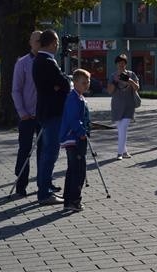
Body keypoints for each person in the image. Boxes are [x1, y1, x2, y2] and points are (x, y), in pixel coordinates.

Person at [32, 29, 71, 205]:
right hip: (52, 112)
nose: (58, 45)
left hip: (45, 111)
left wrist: (60, 85)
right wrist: (62, 85)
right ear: (50, 43)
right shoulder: (47, 61)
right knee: (50, 152)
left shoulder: (40, 60)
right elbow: (64, 84)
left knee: (47, 152)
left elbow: (60, 84)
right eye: (56, 42)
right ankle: (44, 193)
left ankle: (45, 186)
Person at [11, 30, 43, 197]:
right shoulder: (22, 63)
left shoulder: (47, 61)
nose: (39, 43)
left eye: (41, 40)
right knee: (25, 149)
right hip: (27, 115)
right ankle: (21, 185)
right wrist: (22, 112)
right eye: (36, 40)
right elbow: (16, 90)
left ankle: (44, 184)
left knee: (44, 150)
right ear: (30, 42)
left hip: (44, 115)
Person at [59, 68, 91, 213]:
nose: (87, 85)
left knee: (73, 169)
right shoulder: (73, 98)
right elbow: (73, 119)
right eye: (84, 82)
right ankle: (74, 200)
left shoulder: (79, 97)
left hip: (74, 137)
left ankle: (68, 199)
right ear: (75, 83)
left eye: (88, 82)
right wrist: (81, 132)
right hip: (74, 138)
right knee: (78, 170)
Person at [107, 53, 140, 160]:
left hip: (129, 105)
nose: (121, 65)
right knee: (121, 130)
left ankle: (119, 153)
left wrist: (129, 81)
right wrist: (115, 81)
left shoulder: (131, 74)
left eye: (123, 63)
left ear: (125, 64)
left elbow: (136, 88)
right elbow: (110, 91)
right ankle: (125, 152)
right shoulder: (113, 76)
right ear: (116, 64)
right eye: (119, 63)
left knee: (123, 128)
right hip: (116, 106)